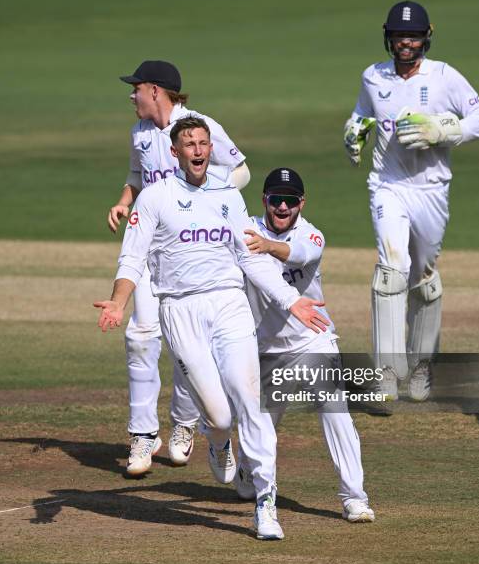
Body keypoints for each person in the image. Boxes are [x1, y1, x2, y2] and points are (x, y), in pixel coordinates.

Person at [95, 116, 330, 540]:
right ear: (175, 152)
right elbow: (131, 259)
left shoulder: (227, 192)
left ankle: (265, 502)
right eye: (190, 144)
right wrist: (118, 301)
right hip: (180, 311)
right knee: (220, 415)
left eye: (204, 143)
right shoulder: (155, 197)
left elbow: (251, 255)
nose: (199, 150)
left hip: (229, 303)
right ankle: (218, 438)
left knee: (249, 400)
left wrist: (291, 300)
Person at [169, 167, 375, 523]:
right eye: (275, 199)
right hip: (262, 350)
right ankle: (248, 470)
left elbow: (298, 255)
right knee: (258, 430)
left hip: (312, 339)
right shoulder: (243, 228)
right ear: (264, 199)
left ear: (301, 203)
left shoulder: (312, 235)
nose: (282, 207)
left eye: (290, 200)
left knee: (335, 411)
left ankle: (354, 498)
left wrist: (267, 246)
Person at [343, 0, 479, 400]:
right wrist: (355, 130)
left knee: (423, 280)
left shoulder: (445, 77)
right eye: (397, 35)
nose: (404, 42)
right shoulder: (373, 76)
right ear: (387, 38)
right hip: (388, 185)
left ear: (426, 36)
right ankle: (387, 369)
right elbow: (363, 114)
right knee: (392, 269)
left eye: (411, 35)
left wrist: (441, 130)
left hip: (431, 188)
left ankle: (423, 362)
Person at [108, 60, 250, 475]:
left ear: (155, 90)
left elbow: (239, 171)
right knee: (140, 338)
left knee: (192, 344)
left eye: (136, 88)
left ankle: (185, 424)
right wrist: (124, 201)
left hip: (195, 254)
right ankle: (142, 436)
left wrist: (203, 199)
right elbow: (137, 177)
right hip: (153, 251)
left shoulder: (199, 127)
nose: (131, 95)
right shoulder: (139, 133)